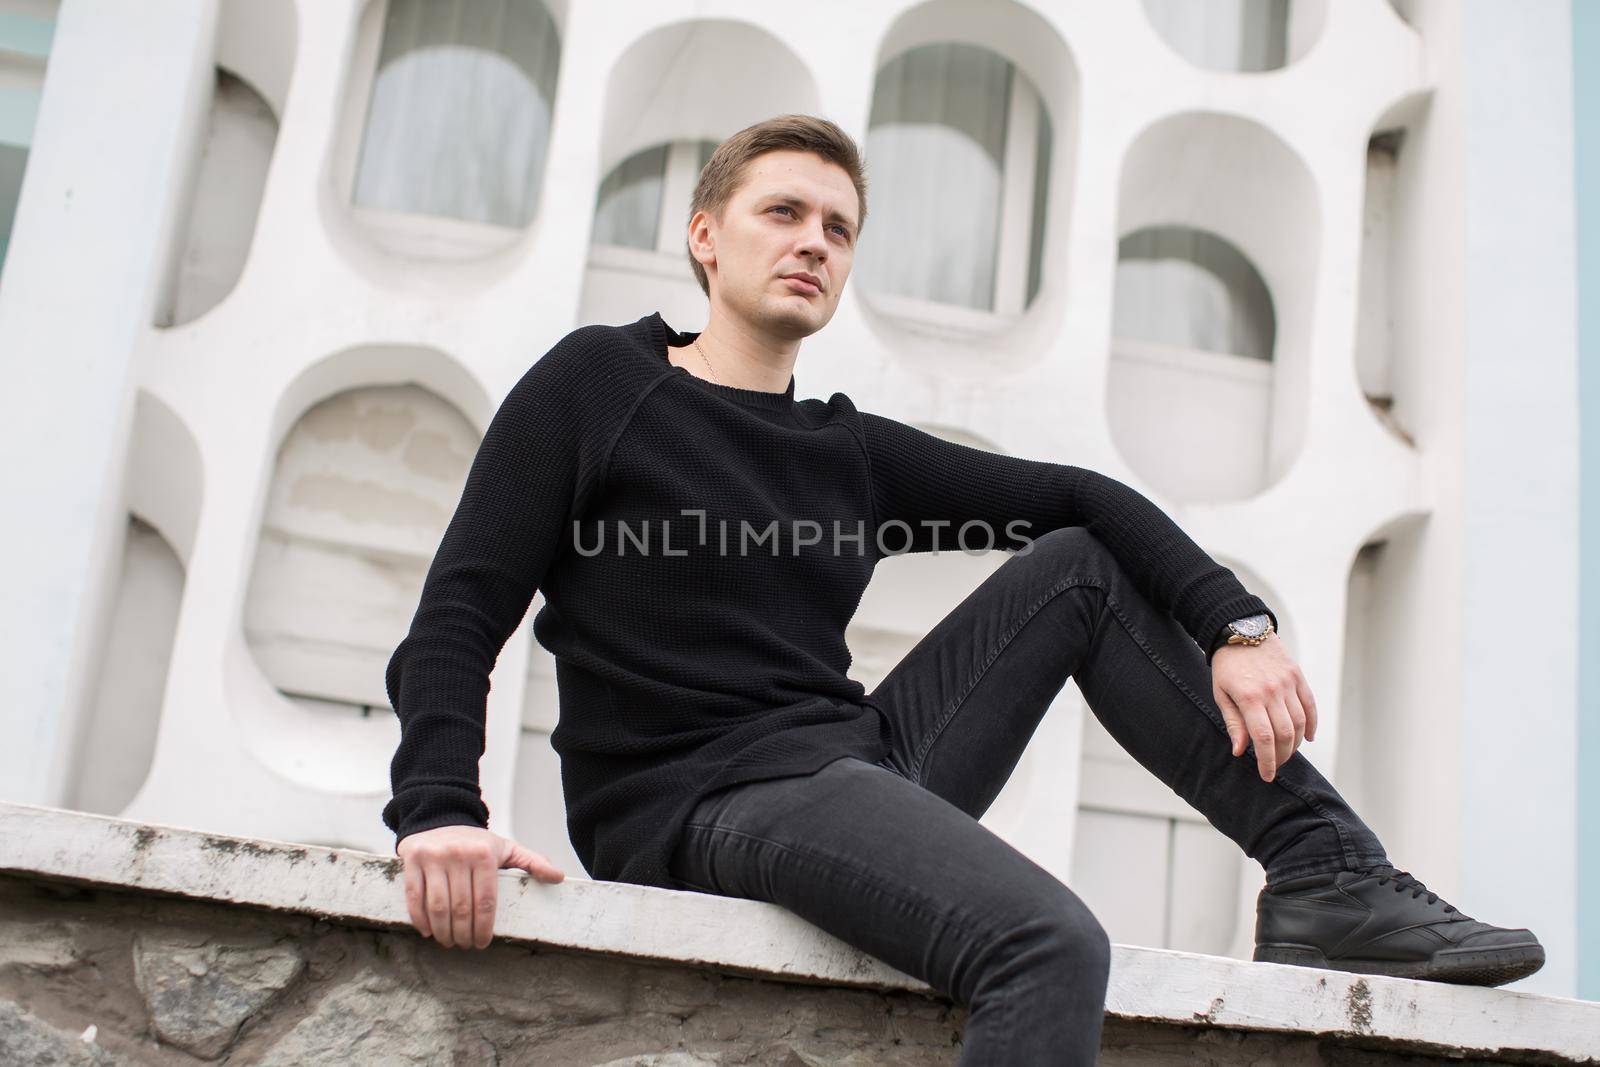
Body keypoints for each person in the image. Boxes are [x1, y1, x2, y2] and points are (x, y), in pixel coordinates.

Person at [382, 114, 1545, 1064]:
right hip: (698, 803)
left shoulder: (847, 454)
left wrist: (1233, 621)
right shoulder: (601, 385)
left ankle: (1326, 874)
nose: (813, 242)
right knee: (1048, 943)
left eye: (838, 227)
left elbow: (1080, 497)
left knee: (1081, 570)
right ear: (704, 237)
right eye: (781, 213)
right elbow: (458, 614)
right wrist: (438, 805)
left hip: (851, 765)